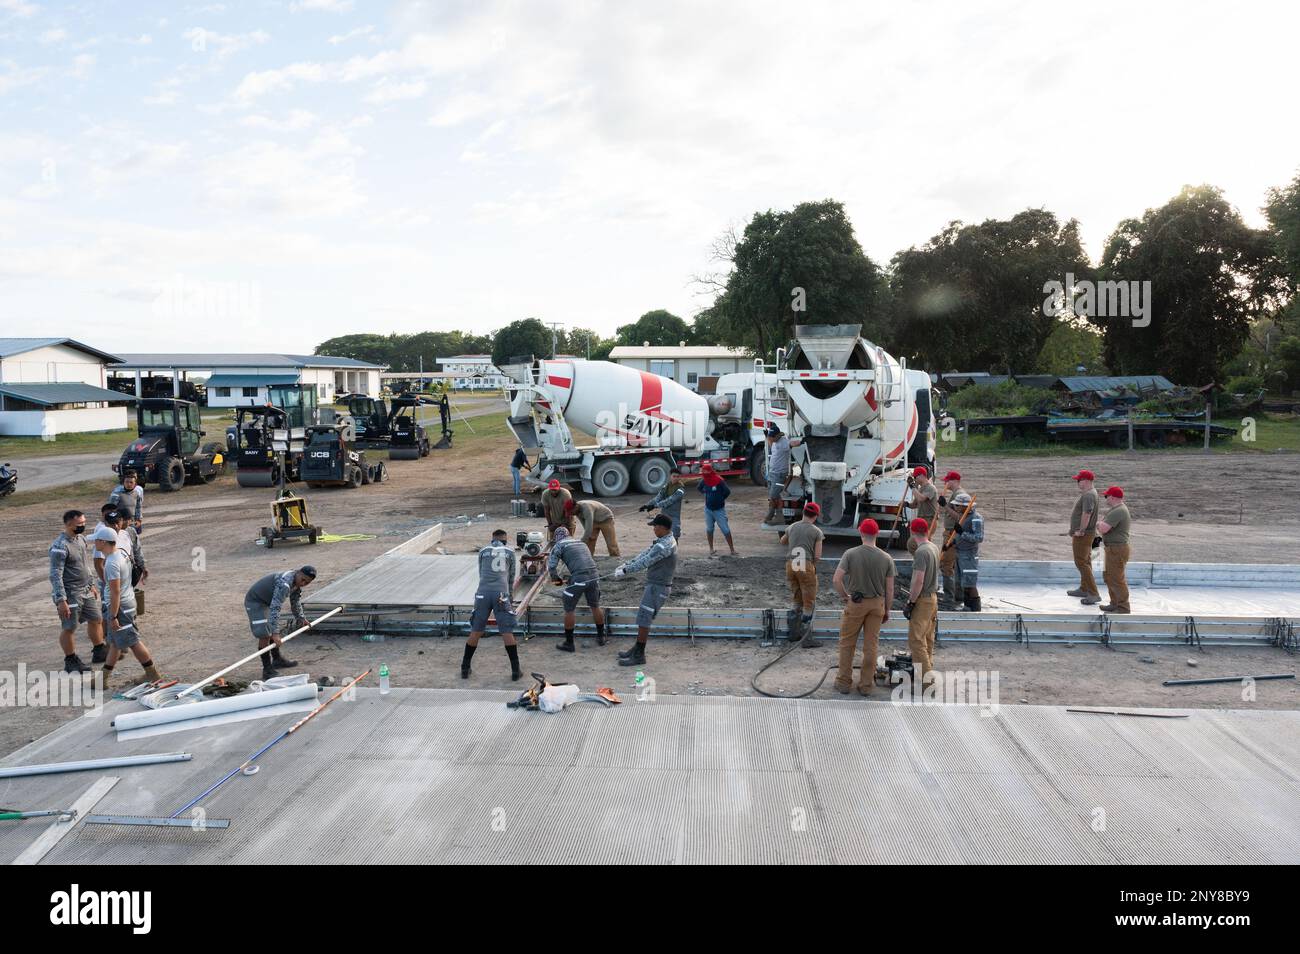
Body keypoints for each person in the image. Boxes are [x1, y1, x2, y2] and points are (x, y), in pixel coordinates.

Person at [831, 518, 895, 695]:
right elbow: (890, 588)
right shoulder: (886, 558)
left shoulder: (850, 554)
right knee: (871, 646)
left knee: (847, 643)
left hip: (856, 604)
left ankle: (843, 682)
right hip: (877, 605)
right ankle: (866, 685)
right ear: (876, 534)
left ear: (861, 533)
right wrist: (887, 609)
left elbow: (836, 580)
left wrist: (845, 596)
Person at [93, 526, 162, 687]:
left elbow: (115, 591)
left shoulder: (111, 563)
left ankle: (153, 674)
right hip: (128, 601)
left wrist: (113, 615)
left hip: (121, 606)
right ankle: (102, 679)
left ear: (103, 542)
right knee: (116, 642)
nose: (94, 543)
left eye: (96, 540)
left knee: (133, 641)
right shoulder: (122, 553)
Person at [613, 513, 678, 667]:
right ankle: (637, 648)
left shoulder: (664, 545)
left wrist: (626, 571)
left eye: (655, 526)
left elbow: (646, 561)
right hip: (657, 585)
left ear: (662, 527)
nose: (653, 529)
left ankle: (639, 655)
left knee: (644, 619)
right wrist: (626, 564)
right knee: (644, 618)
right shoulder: (665, 540)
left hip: (658, 587)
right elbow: (645, 554)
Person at [49, 509, 107, 674]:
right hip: (70, 592)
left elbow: (84, 564)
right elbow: (55, 574)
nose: (83, 526)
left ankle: (99, 650)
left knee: (96, 618)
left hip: (85, 589)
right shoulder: (60, 546)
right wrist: (61, 600)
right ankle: (71, 660)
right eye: (79, 524)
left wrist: (91, 584)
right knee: (70, 627)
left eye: (84, 523)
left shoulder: (81, 539)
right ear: (68, 524)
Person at [462, 529, 523, 679]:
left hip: (483, 593)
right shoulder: (509, 552)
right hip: (500, 595)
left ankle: (465, 667)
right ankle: (515, 671)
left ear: (492, 539)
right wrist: (510, 598)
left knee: (476, 630)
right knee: (506, 631)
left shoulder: (483, 551)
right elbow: (511, 577)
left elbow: (481, 573)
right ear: (505, 540)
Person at [244, 567, 315, 680]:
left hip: (267, 602)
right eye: (302, 579)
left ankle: (277, 660)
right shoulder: (285, 584)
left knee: (269, 631)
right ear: (298, 573)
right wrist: (275, 633)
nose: (303, 583)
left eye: (307, 582)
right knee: (265, 634)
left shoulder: (296, 583)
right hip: (255, 602)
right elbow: (275, 608)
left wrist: (301, 618)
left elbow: (295, 602)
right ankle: (267, 670)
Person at [547, 526, 607, 652]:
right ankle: (601, 637)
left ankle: (569, 643)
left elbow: (552, 567)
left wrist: (556, 580)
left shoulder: (558, 546)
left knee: (569, 609)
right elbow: (583, 561)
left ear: (556, 538)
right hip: (594, 576)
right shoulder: (581, 543)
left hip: (579, 578)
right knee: (595, 606)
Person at [780, 501, 824, 645]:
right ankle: (807, 639)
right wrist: (812, 567)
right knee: (808, 602)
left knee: (796, 598)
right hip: (805, 565)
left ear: (804, 512)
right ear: (815, 516)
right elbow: (817, 555)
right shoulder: (816, 532)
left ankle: (793, 633)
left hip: (791, 565)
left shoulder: (792, 527)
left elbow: (782, 541)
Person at [903, 517, 940, 682]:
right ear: (926, 531)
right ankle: (928, 671)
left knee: (916, 641)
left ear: (912, 532)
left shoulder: (921, 552)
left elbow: (919, 580)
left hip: (923, 600)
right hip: (933, 599)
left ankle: (926, 683)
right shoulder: (933, 547)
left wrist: (911, 602)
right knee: (927, 638)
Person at [1067, 469, 1102, 606]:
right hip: (1088, 534)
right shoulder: (1090, 494)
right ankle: (1084, 588)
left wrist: (1081, 530)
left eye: (1079, 480)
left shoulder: (1088, 495)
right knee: (1085, 562)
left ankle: (1093, 593)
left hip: (1084, 534)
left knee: (1081, 563)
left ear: (1086, 481)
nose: (1077, 483)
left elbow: (1087, 513)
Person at [945, 491, 984, 611]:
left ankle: (975, 608)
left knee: (970, 584)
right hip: (960, 554)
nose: (955, 507)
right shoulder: (963, 517)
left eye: (957, 505)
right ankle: (967, 606)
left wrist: (962, 533)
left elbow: (979, 538)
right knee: (963, 583)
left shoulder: (976, 518)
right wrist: (951, 543)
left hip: (969, 556)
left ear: (965, 506)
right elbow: (959, 537)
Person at [1097, 486, 1132, 614]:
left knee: (1117, 579)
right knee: (1109, 577)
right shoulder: (1116, 510)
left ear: (1112, 497)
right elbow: (1103, 526)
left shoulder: (1118, 511)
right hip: (1112, 548)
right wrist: (1100, 525)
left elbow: (1103, 528)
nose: (1106, 499)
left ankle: (1123, 607)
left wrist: (1099, 524)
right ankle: (1114, 603)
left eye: (1107, 496)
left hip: (1117, 549)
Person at [762, 423, 801, 525]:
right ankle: (777, 517)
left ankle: (771, 515)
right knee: (776, 496)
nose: (770, 438)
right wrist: (767, 437)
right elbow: (771, 443)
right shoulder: (774, 441)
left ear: (777, 436)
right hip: (773, 473)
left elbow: (793, 444)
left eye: (771, 436)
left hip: (779, 474)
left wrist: (803, 441)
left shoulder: (783, 443)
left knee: (773, 496)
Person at [938, 470, 965, 607]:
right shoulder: (955, 495)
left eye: (947, 481)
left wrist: (944, 506)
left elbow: (960, 518)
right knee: (952, 565)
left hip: (953, 535)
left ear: (954, 481)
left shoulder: (960, 496)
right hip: (950, 533)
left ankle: (949, 598)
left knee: (946, 565)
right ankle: (957, 595)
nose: (945, 483)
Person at [697, 463, 736, 556]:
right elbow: (699, 488)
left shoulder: (719, 480)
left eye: (706, 470)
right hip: (708, 509)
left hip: (719, 510)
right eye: (703, 470)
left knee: (725, 529)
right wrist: (705, 494)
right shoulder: (704, 480)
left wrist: (721, 499)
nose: (704, 472)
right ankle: (711, 549)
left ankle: (732, 550)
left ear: (710, 471)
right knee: (709, 529)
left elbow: (727, 491)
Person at [906, 466, 940, 554]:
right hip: (922, 519)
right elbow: (915, 504)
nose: (915, 479)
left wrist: (913, 487)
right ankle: (924, 559)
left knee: (915, 543)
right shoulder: (921, 489)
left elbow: (921, 498)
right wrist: (906, 505)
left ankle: (925, 559)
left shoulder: (930, 488)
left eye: (915, 477)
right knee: (922, 544)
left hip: (929, 520)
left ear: (921, 475)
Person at [643, 473, 685, 540]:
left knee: (674, 535)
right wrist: (647, 505)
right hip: (665, 515)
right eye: (674, 476)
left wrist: (655, 506)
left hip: (674, 516)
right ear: (670, 477)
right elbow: (658, 498)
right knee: (664, 535)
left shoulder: (680, 490)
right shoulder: (666, 487)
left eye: (677, 477)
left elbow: (669, 501)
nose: (676, 478)